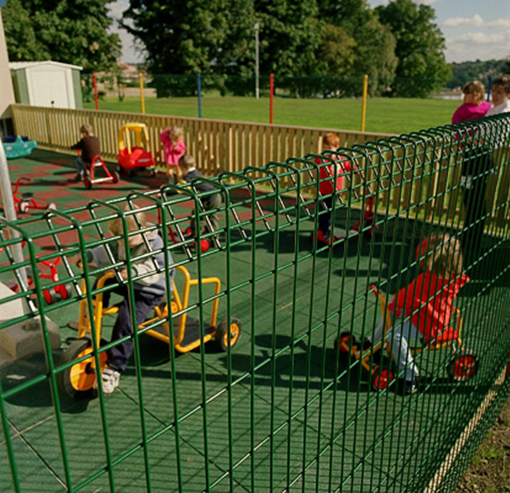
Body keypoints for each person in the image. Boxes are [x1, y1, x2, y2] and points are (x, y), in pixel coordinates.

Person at [73, 205, 173, 394]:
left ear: (142, 229)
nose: (123, 243)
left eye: (129, 239)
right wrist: (90, 255)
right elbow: (105, 251)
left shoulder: (154, 243)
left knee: (127, 319)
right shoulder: (122, 239)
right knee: (100, 284)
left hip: (148, 289)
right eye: (119, 239)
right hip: (127, 280)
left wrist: (135, 272)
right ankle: (91, 317)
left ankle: (115, 367)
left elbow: (156, 268)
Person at [368, 233, 469, 395]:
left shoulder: (428, 281)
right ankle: (372, 342)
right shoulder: (451, 280)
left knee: (394, 332)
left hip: (430, 323)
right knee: (392, 312)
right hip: (425, 315)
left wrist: (398, 304)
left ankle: (410, 374)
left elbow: (408, 295)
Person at [451, 81, 491, 267]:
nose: (465, 97)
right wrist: (463, 141)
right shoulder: (462, 110)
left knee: (478, 197)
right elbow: (455, 127)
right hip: (469, 154)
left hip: (483, 155)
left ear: (477, 94)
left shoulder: (486, 108)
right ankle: (467, 232)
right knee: (468, 191)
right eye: (465, 94)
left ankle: (475, 236)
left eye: (468, 94)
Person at [314, 133, 355, 245]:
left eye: (330, 148)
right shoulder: (322, 159)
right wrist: (329, 162)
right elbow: (317, 161)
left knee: (328, 212)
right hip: (323, 191)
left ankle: (323, 230)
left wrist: (355, 169)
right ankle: (322, 230)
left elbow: (348, 165)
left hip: (335, 192)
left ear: (336, 148)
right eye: (325, 148)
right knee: (323, 212)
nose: (327, 151)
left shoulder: (340, 159)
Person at [178, 154, 222, 237]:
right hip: (216, 195)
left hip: (208, 198)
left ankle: (197, 235)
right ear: (194, 165)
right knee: (212, 216)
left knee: (199, 217)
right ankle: (214, 237)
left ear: (182, 168)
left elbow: (179, 188)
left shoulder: (188, 177)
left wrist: (166, 192)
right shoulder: (196, 172)